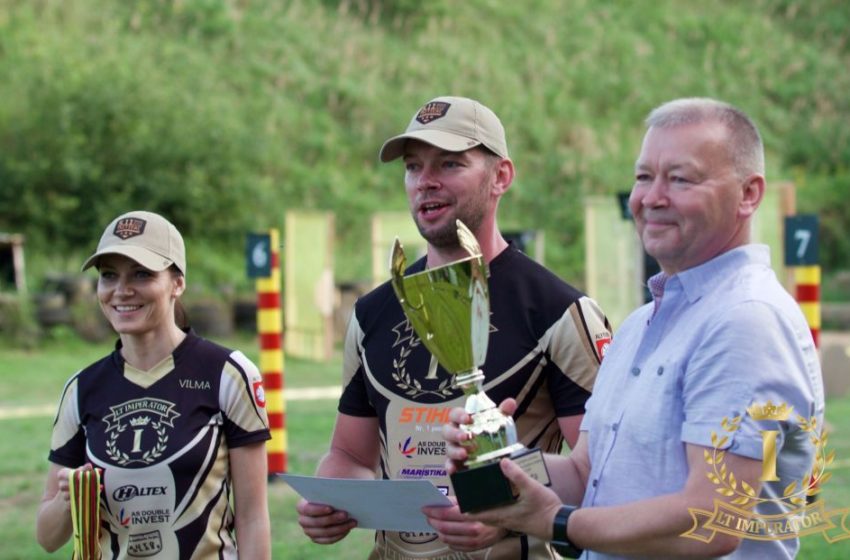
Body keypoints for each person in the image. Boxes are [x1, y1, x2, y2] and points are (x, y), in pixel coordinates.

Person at [429, 97, 826, 559]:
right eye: (643, 177)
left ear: (749, 194)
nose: (651, 198)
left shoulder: (746, 320)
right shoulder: (643, 324)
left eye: (680, 179)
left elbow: (717, 520)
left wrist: (556, 522)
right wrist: (500, 461)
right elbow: (587, 475)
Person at [296, 96, 612, 559]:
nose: (426, 182)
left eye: (449, 164)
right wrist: (335, 502)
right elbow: (349, 456)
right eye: (413, 166)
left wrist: (507, 511)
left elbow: (600, 473)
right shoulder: (372, 313)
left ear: (500, 176)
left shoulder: (559, 312)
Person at [36, 210, 272, 559]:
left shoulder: (228, 373)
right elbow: (47, 538)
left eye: (142, 274)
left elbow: (252, 519)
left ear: (177, 283)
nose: (121, 290)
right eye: (108, 275)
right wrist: (68, 498)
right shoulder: (82, 389)